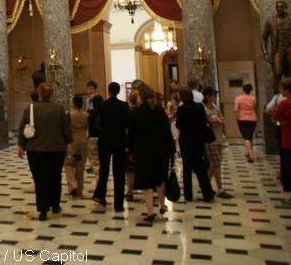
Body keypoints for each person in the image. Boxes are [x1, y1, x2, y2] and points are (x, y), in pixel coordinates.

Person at [18, 83, 72, 221]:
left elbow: (22, 128)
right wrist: (69, 144)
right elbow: (66, 129)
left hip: (35, 150)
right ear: (52, 94)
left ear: (40, 93)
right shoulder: (59, 109)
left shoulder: (30, 109)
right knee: (55, 177)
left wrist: (21, 146)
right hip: (56, 149)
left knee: (40, 179)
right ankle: (55, 205)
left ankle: (43, 210)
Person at [128, 84, 174, 222]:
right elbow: (167, 132)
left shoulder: (135, 114)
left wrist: (130, 151)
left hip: (143, 152)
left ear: (141, 98)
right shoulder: (160, 112)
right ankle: (162, 204)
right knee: (160, 178)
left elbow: (131, 135)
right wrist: (172, 150)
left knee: (146, 181)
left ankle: (150, 211)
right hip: (161, 150)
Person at [92, 82, 129, 212]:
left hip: (105, 141)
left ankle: (100, 195)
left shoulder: (103, 105)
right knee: (119, 173)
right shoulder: (124, 106)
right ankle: (118, 205)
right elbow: (127, 124)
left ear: (109, 91)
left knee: (104, 170)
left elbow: (93, 119)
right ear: (118, 91)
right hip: (119, 141)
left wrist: (100, 129)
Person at [175, 88, 215, 202]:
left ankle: (188, 195)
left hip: (186, 141)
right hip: (198, 140)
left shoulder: (181, 109)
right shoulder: (199, 107)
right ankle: (208, 194)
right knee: (200, 168)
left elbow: (179, 125)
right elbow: (204, 122)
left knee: (187, 168)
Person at [202, 87, 232, 199]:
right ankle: (220, 189)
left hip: (219, 138)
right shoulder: (203, 108)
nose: (215, 97)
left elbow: (223, 119)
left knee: (214, 164)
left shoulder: (215, 107)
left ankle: (206, 185)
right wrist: (211, 121)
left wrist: (221, 121)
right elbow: (203, 123)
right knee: (216, 164)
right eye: (213, 95)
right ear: (207, 96)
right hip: (210, 140)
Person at [262, 0, 291, 88]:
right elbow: (263, 38)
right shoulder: (271, 21)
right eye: (278, 7)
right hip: (278, 50)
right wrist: (265, 53)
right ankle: (277, 94)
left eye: (282, 7)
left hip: (289, 48)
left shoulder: (290, 19)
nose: (279, 9)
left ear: (285, 7)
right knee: (277, 72)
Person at [271, 78, 291, 204]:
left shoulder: (285, 103)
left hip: (288, 140)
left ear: (286, 89)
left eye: (281, 88)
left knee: (288, 168)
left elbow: (274, 119)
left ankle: (289, 195)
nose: (280, 90)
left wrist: (280, 122)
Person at [65, 95, 89, 199]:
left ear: (73, 103)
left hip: (72, 142)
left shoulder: (69, 115)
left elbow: (66, 129)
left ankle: (73, 185)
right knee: (80, 166)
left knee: (68, 164)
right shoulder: (87, 115)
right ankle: (80, 190)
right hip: (83, 142)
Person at [234, 83, 258, 162]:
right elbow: (254, 108)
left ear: (243, 89)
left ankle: (251, 155)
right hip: (253, 119)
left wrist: (236, 117)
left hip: (243, 119)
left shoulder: (238, 98)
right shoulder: (253, 98)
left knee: (246, 138)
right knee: (250, 136)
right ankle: (249, 152)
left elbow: (236, 109)